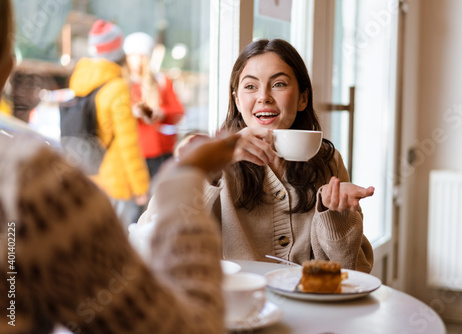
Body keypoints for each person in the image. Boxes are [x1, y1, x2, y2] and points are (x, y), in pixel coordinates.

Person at [1, 5, 237, 332]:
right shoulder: (26, 183)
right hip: (123, 177)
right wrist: (181, 178)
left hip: (96, 173)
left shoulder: (84, 83)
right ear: (6, 66)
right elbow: (180, 327)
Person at [148, 38, 375, 273]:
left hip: (307, 303)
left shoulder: (328, 160)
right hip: (237, 302)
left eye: (278, 84)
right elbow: (152, 238)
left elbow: (354, 271)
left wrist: (337, 218)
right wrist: (211, 168)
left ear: (303, 99)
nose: (263, 96)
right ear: (236, 100)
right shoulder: (215, 158)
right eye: (250, 86)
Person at [67, 20, 150, 228]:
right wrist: (141, 187)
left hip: (90, 174)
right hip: (117, 182)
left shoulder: (79, 81)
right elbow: (128, 144)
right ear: (117, 51)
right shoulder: (117, 88)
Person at [123, 32, 185, 178]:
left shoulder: (161, 81)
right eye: (133, 56)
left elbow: (178, 111)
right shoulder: (122, 85)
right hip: (133, 153)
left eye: (141, 56)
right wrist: (131, 113)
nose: (137, 62)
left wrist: (161, 112)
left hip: (162, 153)